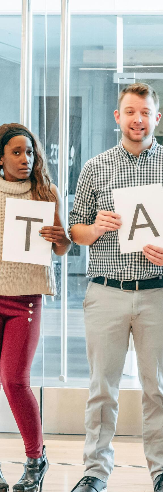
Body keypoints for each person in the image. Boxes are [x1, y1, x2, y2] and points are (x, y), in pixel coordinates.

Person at [68, 83, 163, 492]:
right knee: (101, 390)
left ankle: (162, 472)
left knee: (157, 388)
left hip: (157, 292)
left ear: (156, 118)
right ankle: (94, 472)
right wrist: (95, 228)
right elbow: (76, 229)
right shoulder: (95, 167)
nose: (137, 119)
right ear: (118, 117)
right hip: (106, 291)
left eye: (145, 112)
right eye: (130, 111)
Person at [0, 123, 71, 491]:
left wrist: (63, 238)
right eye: (16, 152)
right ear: (1, 158)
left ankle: (35, 460)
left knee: (15, 381)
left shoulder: (46, 192)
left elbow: (62, 248)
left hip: (25, 299)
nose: (24, 159)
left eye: (29, 152)